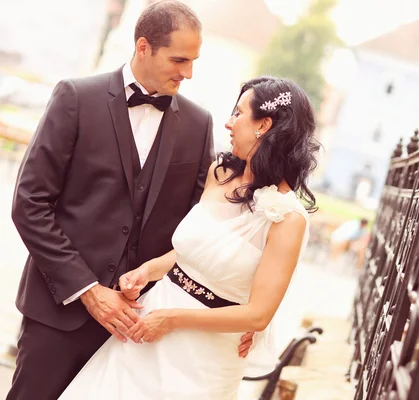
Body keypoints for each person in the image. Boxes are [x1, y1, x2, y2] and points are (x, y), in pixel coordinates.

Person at [8, 2, 250, 399]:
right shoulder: (75, 98)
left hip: (139, 328)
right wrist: (87, 289)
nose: (188, 72)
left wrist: (240, 313)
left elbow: (202, 228)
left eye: (193, 61)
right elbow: (30, 203)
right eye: (178, 59)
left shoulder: (197, 123)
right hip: (58, 314)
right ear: (143, 47)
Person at [58, 76, 320, 399]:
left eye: (238, 114)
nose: (228, 123)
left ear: (263, 125)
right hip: (145, 328)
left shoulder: (288, 218)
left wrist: (171, 320)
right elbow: (195, 251)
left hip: (203, 360)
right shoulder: (219, 174)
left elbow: (258, 314)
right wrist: (147, 271)